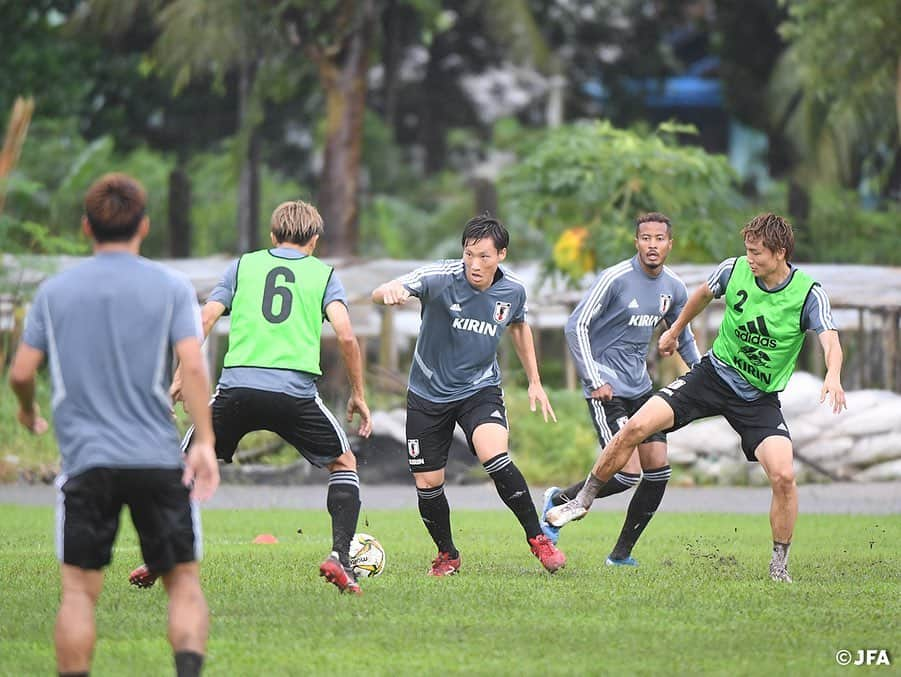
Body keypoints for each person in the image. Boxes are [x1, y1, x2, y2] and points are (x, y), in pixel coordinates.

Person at [546, 213, 847, 581]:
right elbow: (703, 295)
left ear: (780, 252)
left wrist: (833, 375)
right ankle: (580, 500)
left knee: (784, 475)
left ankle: (779, 566)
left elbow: (829, 338)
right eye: (747, 251)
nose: (749, 259)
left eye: (756, 253)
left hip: (758, 399)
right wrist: (674, 330)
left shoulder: (807, 293)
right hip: (711, 375)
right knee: (637, 426)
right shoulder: (733, 270)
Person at [8, 173, 219, 677]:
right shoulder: (170, 286)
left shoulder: (54, 292)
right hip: (157, 460)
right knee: (184, 582)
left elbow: (20, 372)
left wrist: (27, 410)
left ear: (87, 228)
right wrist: (206, 441)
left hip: (87, 463)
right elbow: (192, 366)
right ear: (143, 226)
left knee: (80, 593)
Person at [128, 199, 372, 595]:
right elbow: (345, 334)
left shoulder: (242, 266)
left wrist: (179, 378)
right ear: (314, 241)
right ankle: (339, 557)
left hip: (237, 389)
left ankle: (160, 554)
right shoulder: (324, 274)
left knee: (185, 467)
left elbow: (204, 318)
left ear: (272, 236)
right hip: (294, 394)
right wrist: (359, 394)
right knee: (343, 463)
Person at [371, 212, 565, 576]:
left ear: (501, 255)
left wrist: (535, 381)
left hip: (480, 389)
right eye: (469, 254)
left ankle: (539, 539)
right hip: (427, 394)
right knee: (428, 484)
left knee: (496, 456)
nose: (475, 264)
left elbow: (519, 328)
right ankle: (448, 554)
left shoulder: (513, 291)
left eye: (485, 256)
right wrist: (390, 293)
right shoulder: (438, 278)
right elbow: (380, 291)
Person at [541, 213, 701, 566]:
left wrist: (705, 374)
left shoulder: (674, 287)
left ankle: (620, 554)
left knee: (658, 470)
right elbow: (576, 325)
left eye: (660, 238)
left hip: (642, 388)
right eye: (646, 238)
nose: (653, 245)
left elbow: (682, 336)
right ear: (636, 242)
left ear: (669, 244)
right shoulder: (613, 278)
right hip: (607, 390)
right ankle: (559, 501)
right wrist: (593, 378)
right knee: (627, 474)